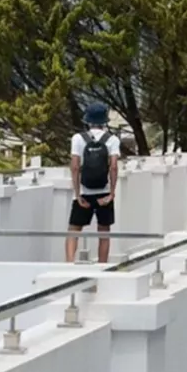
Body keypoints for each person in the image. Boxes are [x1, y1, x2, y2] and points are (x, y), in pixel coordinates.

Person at [67, 102, 121, 263]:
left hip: (84, 192)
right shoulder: (112, 139)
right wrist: (112, 193)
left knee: (73, 231)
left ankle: (69, 265)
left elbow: (75, 167)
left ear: (87, 120)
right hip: (104, 192)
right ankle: (102, 267)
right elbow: (113, 167)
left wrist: (78, 194)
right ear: (104, 121)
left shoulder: (78, 138)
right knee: (104, 233)